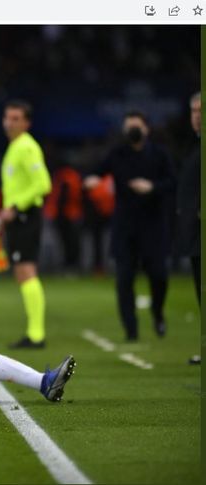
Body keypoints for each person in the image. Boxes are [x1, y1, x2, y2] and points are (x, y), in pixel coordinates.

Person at [85, 111, 176, 341]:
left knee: (159, 275)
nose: (132, 131)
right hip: (125, 227)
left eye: (136, 126)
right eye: (128, 127)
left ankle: (157, 312)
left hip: (153, 226)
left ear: (146, 128)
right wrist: (92, 179)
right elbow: (96, 172)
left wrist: (152, 187)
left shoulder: (160, 155)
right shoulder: (117, 154)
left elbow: (173, 182)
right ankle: (131, 330)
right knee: (124, 279)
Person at [0, 100, 51, 349]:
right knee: (22, 272)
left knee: (26, 271)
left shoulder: (27, 147)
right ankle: (34, 332)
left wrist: (16, 208)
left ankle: (36, 334)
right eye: (7, 117)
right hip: (18, 216)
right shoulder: (15, 147)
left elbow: (43, 184)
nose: (9, 122)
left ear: (27, 123)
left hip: (26, 215)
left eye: (16, 118)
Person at [175, 93, 201, 364]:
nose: (197, 116)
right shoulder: (193, 147)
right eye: (193, 110)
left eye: (201, 110)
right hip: (195, 234)